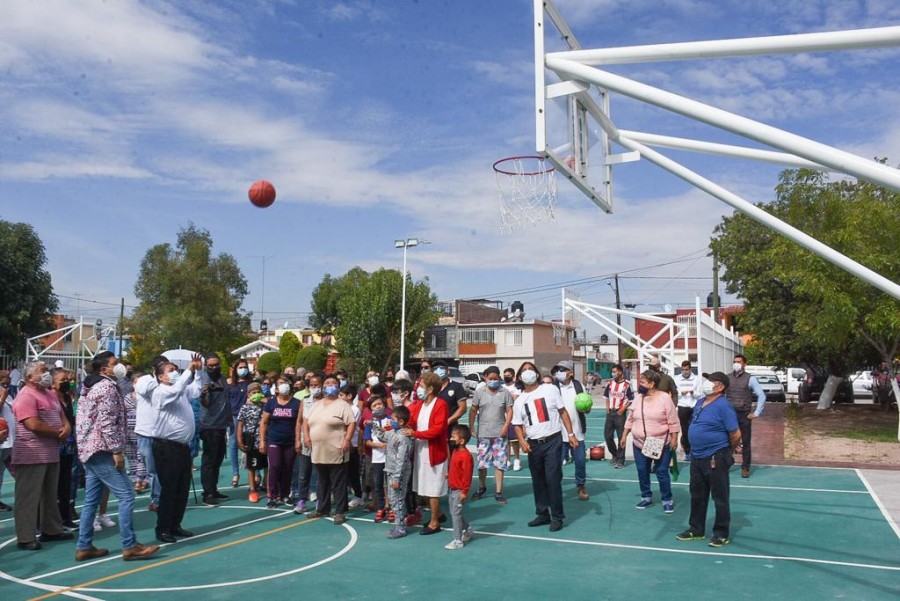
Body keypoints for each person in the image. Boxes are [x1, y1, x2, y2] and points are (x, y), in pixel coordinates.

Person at [75, 351, 159, 562]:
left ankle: (84, 545)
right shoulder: (106, 388)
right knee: (126, 495)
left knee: (92, 499)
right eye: (115, 363)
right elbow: (107, 422)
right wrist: (116, 451)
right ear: (104, 370)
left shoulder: (91, 386)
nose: (120, 366)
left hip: (89, 449)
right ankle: (130, 545)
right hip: (101, 449)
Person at [11, 361, 72, 550]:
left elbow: (62, 417)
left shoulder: (49, 395)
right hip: (31, 454)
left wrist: (66, 429)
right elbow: (32, 424)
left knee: (49, 494)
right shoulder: (26, 396)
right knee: (28, 497)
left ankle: (51, 530)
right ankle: (26, 536)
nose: (47, 374)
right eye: (42, 371)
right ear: (30, 378)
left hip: (50, 453)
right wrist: (57, 433)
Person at [511, 361, 578, 532]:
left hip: (553, 440)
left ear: (537, 373)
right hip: (534, 444)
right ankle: (542, 513)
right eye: (524, 371)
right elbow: (517, 425)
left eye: (530, 369)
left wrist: (570, 434)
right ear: (519, 377)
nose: (528, 373)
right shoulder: (519, 401)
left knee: (552, 478)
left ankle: (557, 516)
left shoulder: (550, 389)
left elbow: (563, 412)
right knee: (538, 480)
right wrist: (522, 441)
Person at [676, 372, 741, 548]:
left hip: (715, 456)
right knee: (697, 494)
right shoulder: (699, 403)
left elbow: (735, 433)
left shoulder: (723, 406)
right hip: (697, 456)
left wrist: (727, 451)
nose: (706, 383)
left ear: (720, 387)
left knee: (720, 496)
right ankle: (696, 529)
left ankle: (721, 533)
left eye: (711, 381)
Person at [151, 355, 205, 543]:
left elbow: (196, 389)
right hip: (166, 447)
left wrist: (197, 371)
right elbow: (179, 387)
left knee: (182, 488)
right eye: (170, 371)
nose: (175, 373)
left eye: (176, 370)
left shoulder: (180, 391)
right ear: (160, 377)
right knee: (170, 488)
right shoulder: (161, 392)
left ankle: (175, 524)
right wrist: (189, 369)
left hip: (182, 447)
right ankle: (163, 528)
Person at [620, 370, 680, 513]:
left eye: (643, 382)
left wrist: (674, 438)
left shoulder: (665, 398)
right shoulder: (638, 398)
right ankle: (646, 496)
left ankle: (667, 499)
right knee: (642, 470)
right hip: (639, 443)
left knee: (661, 471)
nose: (640, 384)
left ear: (652, 384)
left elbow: (673, 421)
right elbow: (631, 418)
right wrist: (624, 435)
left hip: (659, 442)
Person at [303, 375, 356, 524]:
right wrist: (306, 437)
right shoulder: (316, 404)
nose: (330, 385)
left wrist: (347, 440)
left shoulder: (343, 404)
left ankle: (339, 511)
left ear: (338, 387)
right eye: (327, 383)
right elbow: (306, 421)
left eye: (333, 383)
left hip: (337, 448)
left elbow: (351, 423)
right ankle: (322, 508)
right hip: (318, 449)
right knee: (322, 480)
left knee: (338, 481)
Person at [405, 371, 449, 535]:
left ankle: (435, 522)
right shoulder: (419, 406)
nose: (418, 389)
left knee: (432, 489)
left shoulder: (441, 405)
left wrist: (415, 434)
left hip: (434, 453)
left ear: (430, 389)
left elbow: (437, 430)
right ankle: (438, 514)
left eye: (421, 386)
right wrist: (392, 425)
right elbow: (408, 421)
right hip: (420, 452)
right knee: (422, 488)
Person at [468, 366, 513, 505]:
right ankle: (482, 487)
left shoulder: (504, 392)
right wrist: (471, 427)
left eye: (495, 378)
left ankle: (499, 492)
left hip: (500, 434)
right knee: (482, 463)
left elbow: (509, 410)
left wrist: (506, 425)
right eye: (490, 378)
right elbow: (473, 410)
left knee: (500, 463)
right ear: (485, 378)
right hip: (484, 433)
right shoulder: (479, 392)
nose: (493, 381)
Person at [259, 374, 301, 508]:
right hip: (274, 440)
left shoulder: (296, 403)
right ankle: (272, 495)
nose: (283, 385)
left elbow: (299, 423)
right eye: (280, 383)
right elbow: (264, 422)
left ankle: (285, 495)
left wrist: (297, 440)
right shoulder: (271, 402)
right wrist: (262, 441)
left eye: (285, 382)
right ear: (276, 388)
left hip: (290, 441)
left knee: (288, 468)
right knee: (275, 466)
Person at [551, 360, 590, 501]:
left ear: (570, 373)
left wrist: (586, 409)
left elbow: (587, 408)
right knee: (556, 464)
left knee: (580, 461)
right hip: (558, 433)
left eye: (562, 369)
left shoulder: (579, 386)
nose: (558, 372)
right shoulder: (553, 388)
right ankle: (555, 488)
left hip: (577, 432)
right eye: (557, 369)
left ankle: (580, 486)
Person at [134, 355, 168, 513]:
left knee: (166, 469)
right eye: (162, 367)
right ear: (154, 369)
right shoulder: (144, 380)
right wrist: (158, 379)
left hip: (164, 433)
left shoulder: (168, 384)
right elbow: (143, 391)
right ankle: (157, 499)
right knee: (153, 469)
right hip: (146, 433)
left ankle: (166, 497)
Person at [198, 354, 231, 505]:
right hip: (209, 426)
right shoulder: (204, 379)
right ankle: (207, 493)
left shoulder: (223, 379)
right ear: (206, 366)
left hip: (221, 425)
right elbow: (205, 403)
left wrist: (229, 421)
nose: (213, 367)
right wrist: (205, 393)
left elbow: (226, 400)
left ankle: (214, 488)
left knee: (218, 459)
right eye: (210, 365)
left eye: (216, 364)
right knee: (209, 461)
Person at [729, 354, 766, 478]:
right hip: (729, 414)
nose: (736, 364)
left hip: (744, 414)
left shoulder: (750, 379)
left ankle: (745, 467)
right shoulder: (727, 378)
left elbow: (761, 395)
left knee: (745, 442)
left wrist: (756, 413)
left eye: (739, 362)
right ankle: (727, 462)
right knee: (726, 440)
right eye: (735, 361)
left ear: (744, 364)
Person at [51, 368, 78, 528]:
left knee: (66, 482)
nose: (67, 382)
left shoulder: (68, 397)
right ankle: (52, 520)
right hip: (56, 444)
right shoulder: (51, 398)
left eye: (67, 379)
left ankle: (66, 517)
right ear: (53, 383)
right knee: (53, 484)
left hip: (69, 445)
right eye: (62, 380)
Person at [383, 405, 414, 539]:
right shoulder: (393, 433)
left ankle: (401, 527)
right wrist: (372, 425)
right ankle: (398, 523)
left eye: (393, 419)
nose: (391, 421)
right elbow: (382, 436)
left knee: (398, 499)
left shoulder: (403, 438)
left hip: (398, 473)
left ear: (401, 421)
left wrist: (397, 478)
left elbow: (401, 460)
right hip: (390, 469)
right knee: (393, 499)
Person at [236, 383, 267, 503]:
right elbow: (240, 425)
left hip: (264, 439)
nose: (256, 394)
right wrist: (239, 440)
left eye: (258, 392)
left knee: (266, 465)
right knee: (251, 466)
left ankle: (266, 485)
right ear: (248, 395)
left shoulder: (266, 406)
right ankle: (253, 489)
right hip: (251, 439)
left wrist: (265, 400)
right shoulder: (245, 408)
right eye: (253, 393)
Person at [445, 424, 474, 550]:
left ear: (461, 441)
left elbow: (467, 475)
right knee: (454, 513)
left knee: (455, 515)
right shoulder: (455, 452)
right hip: (452, 488)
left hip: (459, 490)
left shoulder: (466, 456)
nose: (451, 439)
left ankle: (457, 540)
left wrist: (464, 491)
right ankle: (468, 528)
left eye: (453, 437)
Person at [364, 396, 393, 522]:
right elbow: (367, 441)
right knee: (378, 484)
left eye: (380, 404)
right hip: (377, 459)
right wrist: (378, 445)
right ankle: (381, 508)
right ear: (371, 409)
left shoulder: (391, 420)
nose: (378, 407)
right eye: (374, 406)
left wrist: (388, 444)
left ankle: (392, 508)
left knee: (392, 484)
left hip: (391, 458)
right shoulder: (370, 423)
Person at [603, 364, 634, 469]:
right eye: (612, 372)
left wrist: (622, 409)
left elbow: (630, 399)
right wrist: (607, 409)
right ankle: (615, 454)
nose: (613, 373)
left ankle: (621, 460)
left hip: (620, 414)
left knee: (621, 437)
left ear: (620, 372)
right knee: (607, 436)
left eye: (615, 371)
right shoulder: (610, 383)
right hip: (610, 413)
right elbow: (606, 396)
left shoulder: (627, 384)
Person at [226, 359, 251, 487]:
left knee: (251, 445)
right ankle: (236, 473)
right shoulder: (230, 384)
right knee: (233, 444)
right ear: (235, 369)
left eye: (244, 367)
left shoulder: (251, 384)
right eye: (240, 367)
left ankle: (255, 474)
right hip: (234, 417)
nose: (242, 369)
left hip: (249, 417)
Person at [433, 360, 469, 443]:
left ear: (448, 371)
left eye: (441, 368)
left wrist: (448, 421)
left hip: (451, 428)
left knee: (452, 452)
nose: (438, 370)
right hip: (434, 426)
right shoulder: (432, 389)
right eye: (435, 368)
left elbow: (462, 408)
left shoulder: (456, 386)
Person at [675, 361, 702, 460]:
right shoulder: (677, 379)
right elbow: (675, 393)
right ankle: (687, 451)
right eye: (683, 369)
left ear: (690, 369)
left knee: (694, 429)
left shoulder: (697, 379)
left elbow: (699, 394)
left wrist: (692, 392)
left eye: (686, 369)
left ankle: (695, 449)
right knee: (685, 430)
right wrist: (681, 392)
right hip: (682, 406)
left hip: (694, 406)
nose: (684, 372)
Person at [501, 367, 522, 471]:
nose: (506, 377)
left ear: (513, 376)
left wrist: (511, 397)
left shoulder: (517, 387)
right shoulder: (502, 387)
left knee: (514, 440)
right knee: (506, 441)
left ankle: (517, 460)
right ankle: (507, 460)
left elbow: (516, 399)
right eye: (505, 375)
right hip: (503, 417)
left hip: (514, 417)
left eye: (508, 375)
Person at [0, 371, 15, 512]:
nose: (7, 382)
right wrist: (2, 398)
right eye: (4, 379)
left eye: (8, 379)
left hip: (9, 442)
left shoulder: (8, 393)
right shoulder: (4, 394)